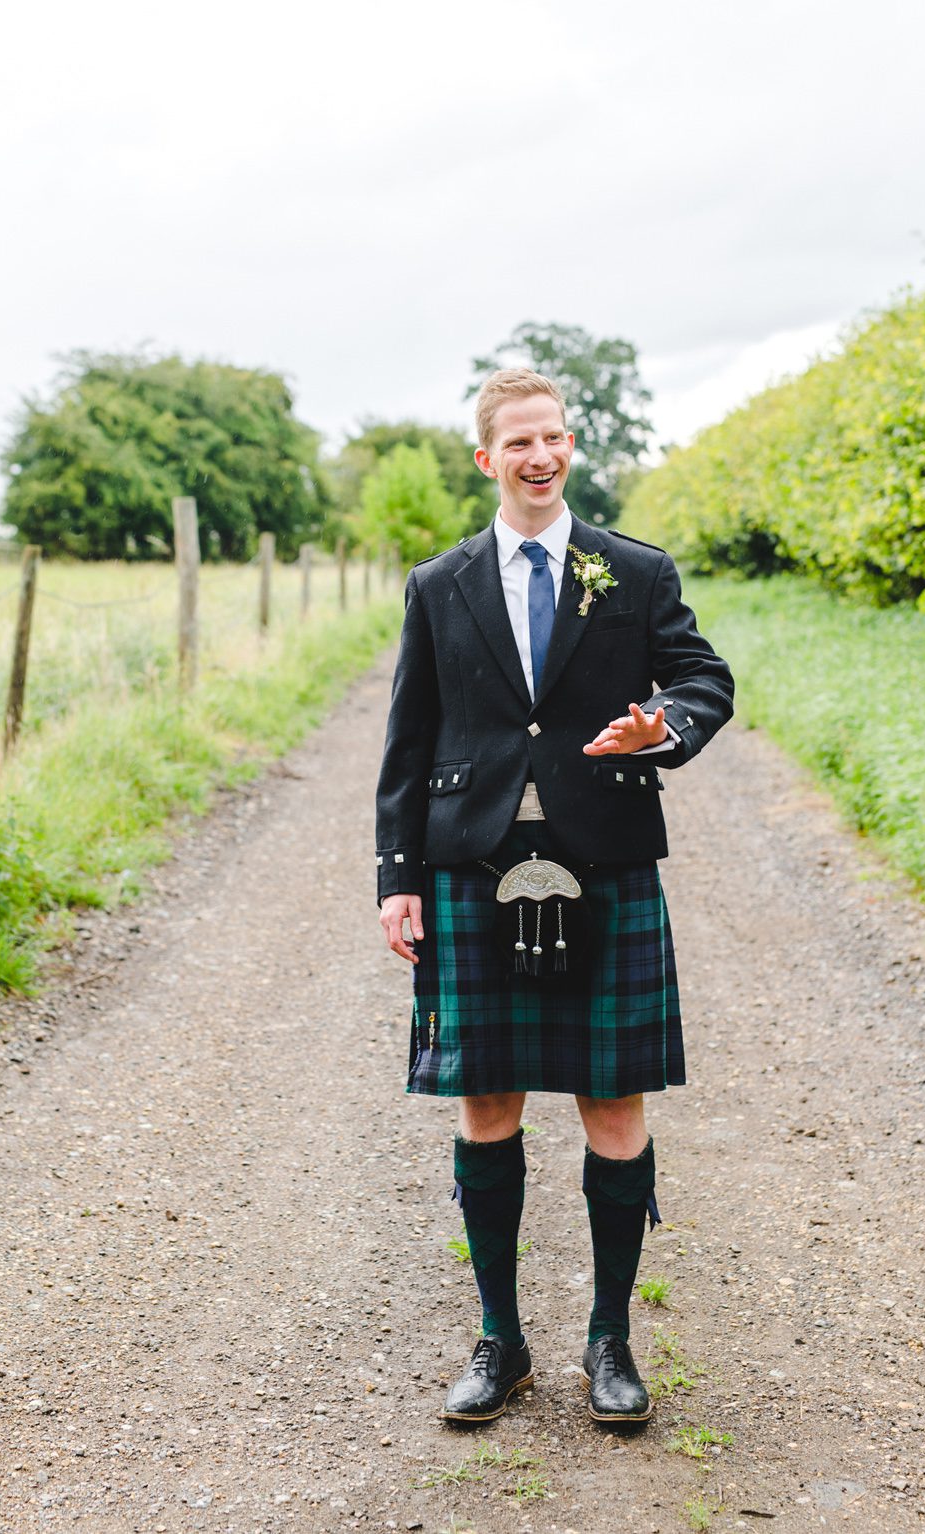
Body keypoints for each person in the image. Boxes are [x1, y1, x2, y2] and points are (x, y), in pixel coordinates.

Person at [374, 368, 733, 1425]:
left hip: (603, 858)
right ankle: (500, 1340)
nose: (539, 456)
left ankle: (608, 1340)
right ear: (485, 459)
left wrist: (658, 723)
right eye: (517, 442)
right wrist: (396, 880)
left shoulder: (629, 571)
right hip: (470, 867)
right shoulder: (437, 585)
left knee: (608, 1098)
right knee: (486, 1102)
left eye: (553, 438)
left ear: (568, 446)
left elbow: (701, 678)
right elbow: (408, 742)